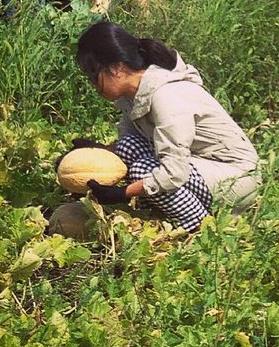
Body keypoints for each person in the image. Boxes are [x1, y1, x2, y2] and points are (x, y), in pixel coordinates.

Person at [71, 21, 260, 232]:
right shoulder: (132, 97)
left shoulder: (166, 96)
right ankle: (167, 211)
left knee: (142, 171)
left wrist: (123, 193)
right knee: (127, 147)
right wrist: (95, 152)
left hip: (237, 179)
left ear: (116, 67)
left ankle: (200, 228)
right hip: (201, 166)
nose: (92, 84)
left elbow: (174, 172)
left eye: (93, 74)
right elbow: (129, 146)